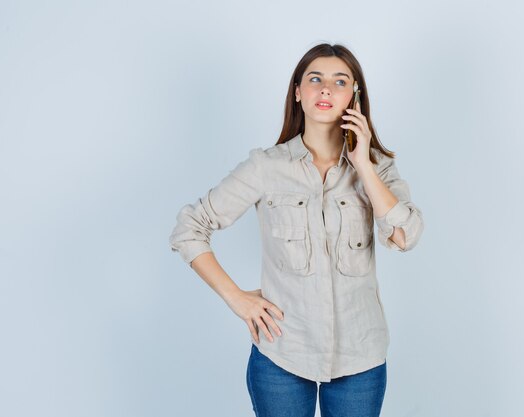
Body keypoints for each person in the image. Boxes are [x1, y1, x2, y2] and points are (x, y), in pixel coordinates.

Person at [169, 42, 424, 417]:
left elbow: (405, 236)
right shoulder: (265, 166)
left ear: (354, 96)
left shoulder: (378, 167)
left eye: (339, 81)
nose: (325, 89)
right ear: (298, 92)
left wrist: (363, 165)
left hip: (360, 356)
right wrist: (236, 299)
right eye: (315, 79)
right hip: (282, 355)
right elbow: (189, 227)